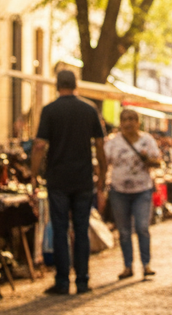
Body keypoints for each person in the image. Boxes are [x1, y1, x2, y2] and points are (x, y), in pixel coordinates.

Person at [30, 69, 108, 295]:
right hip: (83, 178)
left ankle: (63, 280)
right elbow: (100, 146)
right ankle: (83, 280)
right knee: (81, 230)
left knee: (61, 228)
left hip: (58, 179)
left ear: (57, 85)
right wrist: (102, 176)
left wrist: (34, 175)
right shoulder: (89, 109)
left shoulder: (50, 110)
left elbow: (39, 146)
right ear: (76, 85)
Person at [104, 109, 162, 280]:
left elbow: (157, 162)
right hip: (119, 191)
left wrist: (147, 159)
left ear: (138, 122)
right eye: (124, 119)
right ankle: (127, 266)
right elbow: (104, 162)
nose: (128, 123)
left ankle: (146, 264)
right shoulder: (113, 143)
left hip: (142, 190)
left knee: (143, 227)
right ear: (120, 123)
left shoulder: (147, 140)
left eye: (131, 119)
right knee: (123, 231)